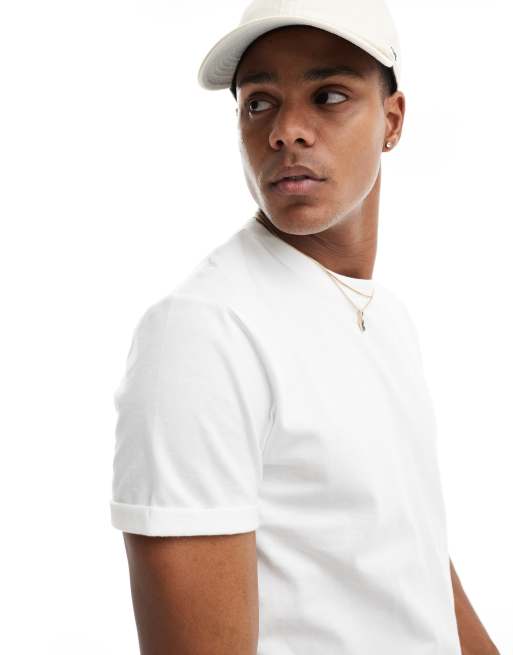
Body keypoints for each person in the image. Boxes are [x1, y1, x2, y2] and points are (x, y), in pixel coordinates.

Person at [110, 1, 501, 653]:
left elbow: (409, 557)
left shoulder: (385, 317)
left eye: (328, 96)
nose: (286, 131)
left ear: (392, 121)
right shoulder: (203, 334)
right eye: (259, 103)